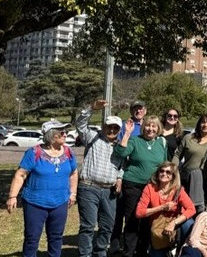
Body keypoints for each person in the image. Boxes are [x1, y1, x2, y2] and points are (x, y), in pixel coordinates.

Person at [7, 120, 77, 257]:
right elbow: (20, 175)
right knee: (32, 238)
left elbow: (74, 173)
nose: (65, 134)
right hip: (35, 203)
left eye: (66, 131)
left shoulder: (68, 152)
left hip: (60, 202)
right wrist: (12, 196)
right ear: (51, 135)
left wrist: (73, 193)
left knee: (56, 237)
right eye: (61, 132)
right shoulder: (33, 153)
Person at [113, 116, 168, 257]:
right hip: (133, 185)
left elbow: (164, 164)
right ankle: (129, 252)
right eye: (148, 126)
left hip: (152, 186)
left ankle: (142, 251)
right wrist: (126, 133)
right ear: (143, 127)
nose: (151, 129)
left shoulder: (162, 142)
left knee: (147, 219)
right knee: (132, 218)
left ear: (158, 128)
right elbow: (120, 152)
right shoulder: (135, 140)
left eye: (154, 126)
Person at [75, 100, 124, 257]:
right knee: (88, 226)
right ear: (104, 127)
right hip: (89, 187)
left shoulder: (120, 147)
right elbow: (81, 126)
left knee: (107, 226)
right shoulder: (93, 138)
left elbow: (122, 167)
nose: (111, 130)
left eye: (115, 128)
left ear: (119, 130)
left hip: (109, 191)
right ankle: (85, 255)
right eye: (109, 126)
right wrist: (91, 108)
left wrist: (119, 178)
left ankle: (100, 252)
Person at [134, 162, 195, 257]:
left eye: (168, 172)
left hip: (175, 227)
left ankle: (181, 248)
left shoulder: (178, 190)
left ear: (173, 176)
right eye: (161, 171)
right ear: (158, 173)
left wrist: (173, 223)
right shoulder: (150, 188)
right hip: (157, 229)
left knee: (189, 223)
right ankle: (167, 250)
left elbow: (191, 209)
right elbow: (139, 212)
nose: (164, 174)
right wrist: (162, 207)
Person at [173, 114, 207, 213]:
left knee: (200, 210)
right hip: (186, 177)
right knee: (184, 208)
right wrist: (173, 170)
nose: (205, 125)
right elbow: (177, 155)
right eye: (203, 122)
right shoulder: (189, 138)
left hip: (204, 180)